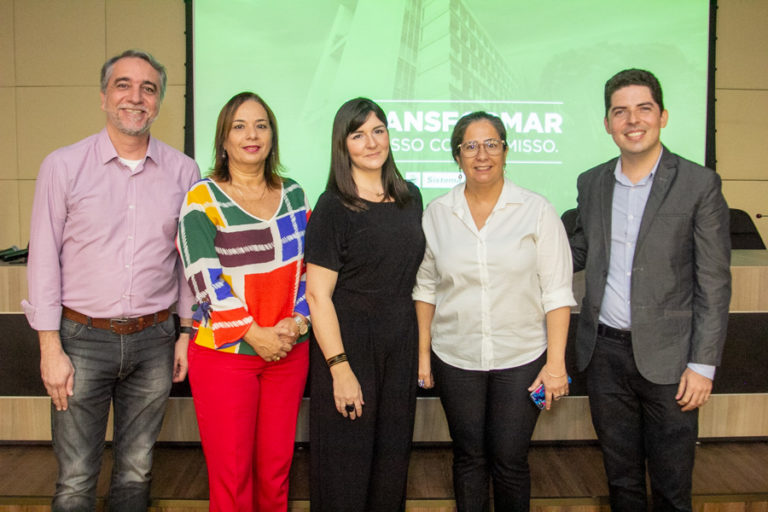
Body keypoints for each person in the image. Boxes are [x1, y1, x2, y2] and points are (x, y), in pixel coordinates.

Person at [22, 49, 200, 511]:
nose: (135, 97)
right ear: (104, 96)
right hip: (81, 340)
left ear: (158, 101)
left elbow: (186, 261)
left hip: (155, 340)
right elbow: (43, 260)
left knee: (136, 471)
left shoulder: (184, 172)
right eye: (123, 85)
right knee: (77, 478)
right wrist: (49, 348)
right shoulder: (62, 166)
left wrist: (185, 332)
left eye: (148, 88)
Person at [569, 69, 731, 511]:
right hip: (604, 355)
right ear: (607, 123)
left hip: (673, 362)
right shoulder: (592, 182)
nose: (632, 120)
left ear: (662, 116)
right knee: (621, 482)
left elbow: (714, 283)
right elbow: (580, 248)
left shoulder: (699, 184)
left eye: (643, 109)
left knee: (672, 487)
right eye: (620, 111)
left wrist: (703, 365)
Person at [412, 111, 576, 512]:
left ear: (505, 151)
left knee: (510, 460)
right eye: (470, 145)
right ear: (457, 156)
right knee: (469, 458)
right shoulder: (437, 212)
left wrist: (556, 365)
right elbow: (426, 287)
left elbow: (557, 292)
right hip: (456, 356)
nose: (481, 154)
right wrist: (423, 356)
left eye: (491, 144)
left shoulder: (536, 210)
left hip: (522, 357)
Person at [176, 92, 311, 511]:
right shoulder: (203, 198)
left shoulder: (294, 194)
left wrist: (297, 323)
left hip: (287, 352)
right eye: (239, 126)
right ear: (224, 139)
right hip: (226, 354)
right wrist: (256, 334)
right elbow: (204, 280)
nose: (251, 135)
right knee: (232, 477)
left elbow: (309, 271)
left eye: (261, 125)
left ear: (272, 136)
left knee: (275, 470)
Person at [305, 97, 426, 511]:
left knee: (391, 463)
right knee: (346, 469)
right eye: (358, 135)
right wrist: (340, 369)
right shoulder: (332, 207)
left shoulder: (411, 197)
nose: (372, 142)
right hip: (349, 345)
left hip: (400, 342)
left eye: (379, 130)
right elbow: (317, 295)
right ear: (343, 145)